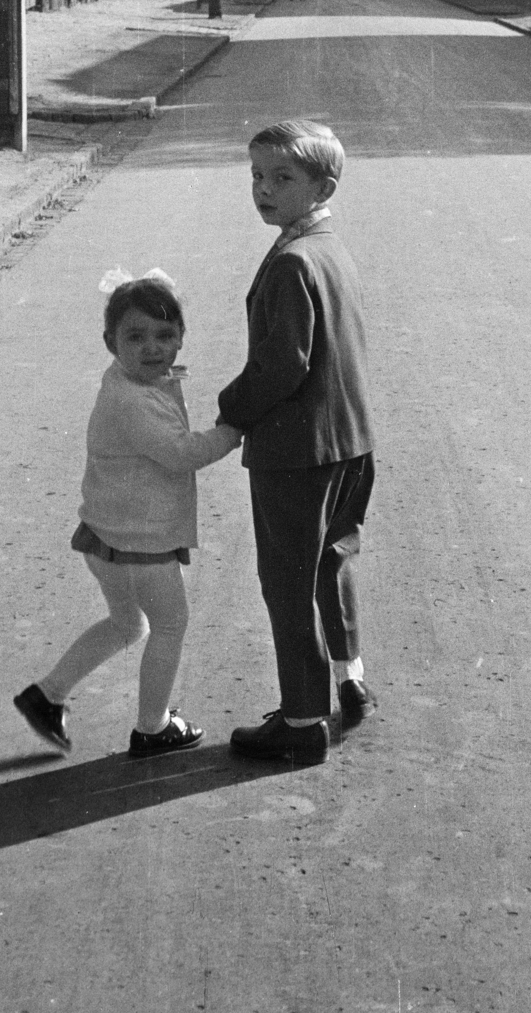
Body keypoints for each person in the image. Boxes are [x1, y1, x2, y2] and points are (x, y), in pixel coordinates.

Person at [14, 272, 240, 759]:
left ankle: (47, 694)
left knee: (127, 625)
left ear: (181, 336)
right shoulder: (132, 400)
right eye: (135, 337)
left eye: (165, 335)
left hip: (108, 536)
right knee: (170, 625)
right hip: (142, 543)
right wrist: (231, 431)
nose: (153, 349)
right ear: (110, 343)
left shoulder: (130, 381)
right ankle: (153, 726)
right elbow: (181, 453)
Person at [218, 121, 377, 767]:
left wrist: (231, 411)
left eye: (282, 178)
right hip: (351, 440)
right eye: (257, 176)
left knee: (287, 583)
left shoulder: (289, 262)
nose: (263, 189)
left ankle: (303, 717)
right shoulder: (329, 246)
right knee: (330, 564)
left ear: (322, 185)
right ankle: (349, 677)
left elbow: (283, 365)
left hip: (297, 451)